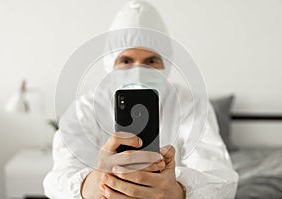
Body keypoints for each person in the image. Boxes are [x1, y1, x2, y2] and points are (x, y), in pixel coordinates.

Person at [43, 1, 238, 198]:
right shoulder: (84, 109)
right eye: (126, 60)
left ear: (166, 65)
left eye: (151, 60)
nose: (139, 71)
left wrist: (177, 191)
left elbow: (222, 179)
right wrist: (92, 186)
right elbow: (57, 180)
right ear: (110, 63)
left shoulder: (192, 105)